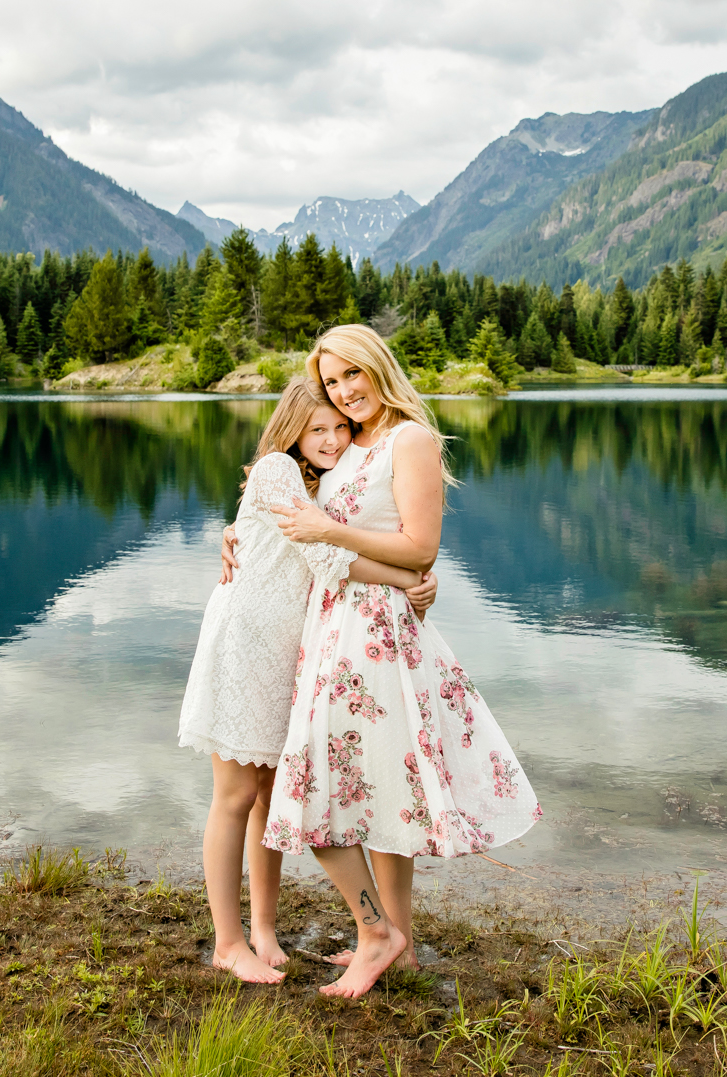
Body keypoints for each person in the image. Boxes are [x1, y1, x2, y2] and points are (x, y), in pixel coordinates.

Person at [261, 324, 541, 997]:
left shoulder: (410, 439)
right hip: (333, 626)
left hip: (376, 633)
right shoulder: (341, 443)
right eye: (332, 381)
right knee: (367, 787)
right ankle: (397, 941)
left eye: (353, 374)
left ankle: (379, 934)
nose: (344, 390)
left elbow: (420, 548)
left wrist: (336, 533)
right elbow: (280, 508)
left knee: (336, 789)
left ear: (378, 366)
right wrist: (235, 541)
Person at [178, 377, 436, 984]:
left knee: (271, 798)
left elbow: (333, 537)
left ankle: (263, 932)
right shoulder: (276, 470)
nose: (332, 437)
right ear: (291, 428)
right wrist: (409, 580)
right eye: (317, 428)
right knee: (236, 796)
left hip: (292, 649)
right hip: (248, 645)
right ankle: (227, 942)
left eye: (339, 428)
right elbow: (327, 557)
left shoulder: (310, 480)